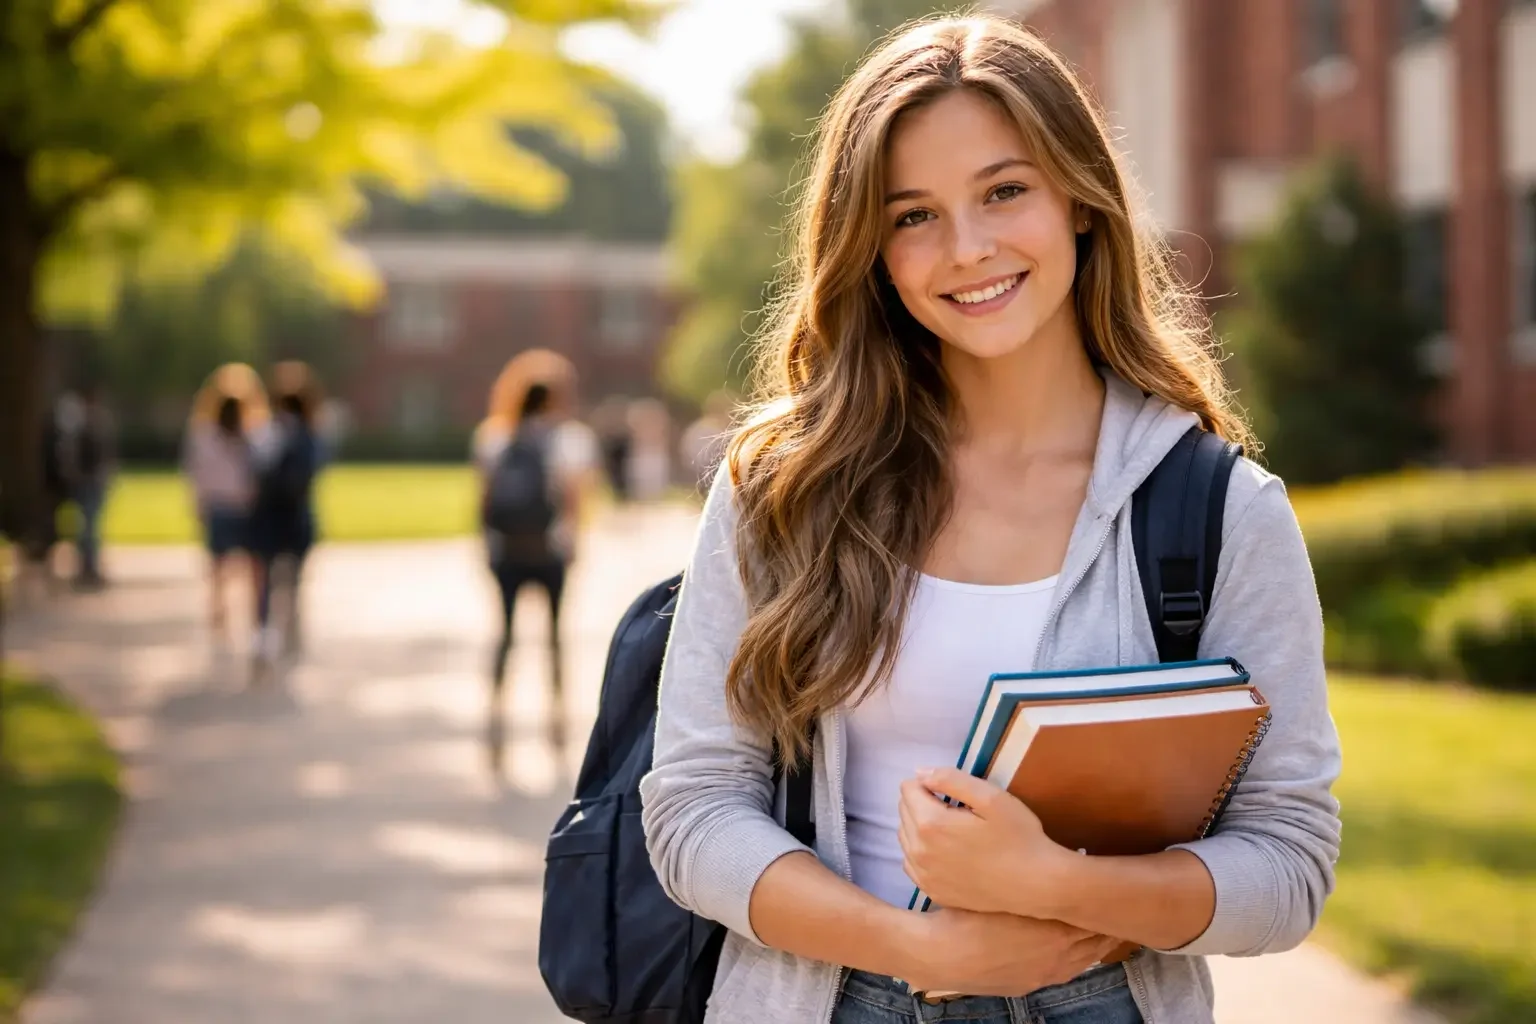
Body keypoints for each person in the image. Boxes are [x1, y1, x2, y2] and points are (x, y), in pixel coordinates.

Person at [640, 17, 1340, 1024]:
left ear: (1081, 201)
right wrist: (920, 945)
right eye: (912, 215)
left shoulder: (1220, 510)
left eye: (1005, 191)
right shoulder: (784, 487)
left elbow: (1289, 861)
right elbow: (693, 809)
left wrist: (1055, 884)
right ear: (870, 249)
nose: (967, 250)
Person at [473, 354, 597, 761]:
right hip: (549, 549)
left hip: (507, 548)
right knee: (554, 635)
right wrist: (574, 543)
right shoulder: (568, 438)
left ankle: (496, 710)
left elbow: (483, 498)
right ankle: (556, 716)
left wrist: (485, 544)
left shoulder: (495, 437)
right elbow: (575, 498)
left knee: (505, 632)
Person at [247, 362, 323, 672]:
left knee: (266, 581)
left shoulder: (268, 432)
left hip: (268, 518)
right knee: (292, 580)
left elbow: (254, 472)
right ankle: (289, 627)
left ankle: (266, 634)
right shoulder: (311, 436)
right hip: (295, 517)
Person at [182, 391, 257, 642]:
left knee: (219, 565)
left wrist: (199, 505)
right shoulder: (244, 440)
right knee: (242, 565)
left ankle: (220, 610)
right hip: (237, 507)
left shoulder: (214, 438)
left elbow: (197, 475)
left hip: (222, 507)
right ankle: (235, 611)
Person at [59, 384, 117, 590]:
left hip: (93, 481)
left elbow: (106, 455)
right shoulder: (79, 427)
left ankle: (89, 567)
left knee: (90, 526)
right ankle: (86, 567)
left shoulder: (97, 425)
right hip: (85, 481)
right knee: (87, 527)